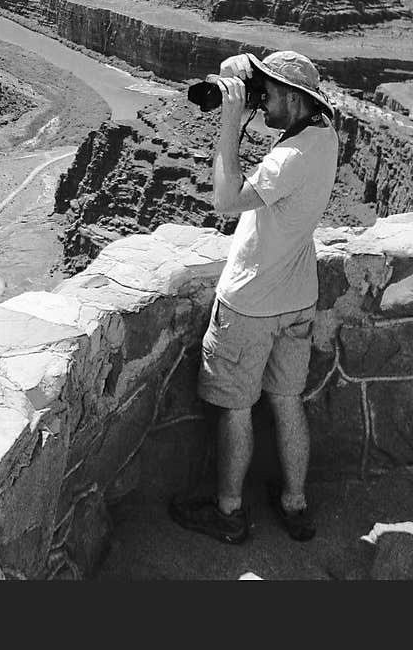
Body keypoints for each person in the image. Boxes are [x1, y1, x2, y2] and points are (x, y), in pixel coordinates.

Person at [169, 49, 338, 546]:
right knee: (287, 401)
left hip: (250, 304)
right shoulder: (323, 136)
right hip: (298, 298)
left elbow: (225, 200)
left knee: (237, 408)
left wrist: (229, 123)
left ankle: (228, 513)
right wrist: (244, 89)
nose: (262, 102)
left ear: (296, 97)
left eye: (269, 93)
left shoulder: (289, 158)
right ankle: (295, 505)